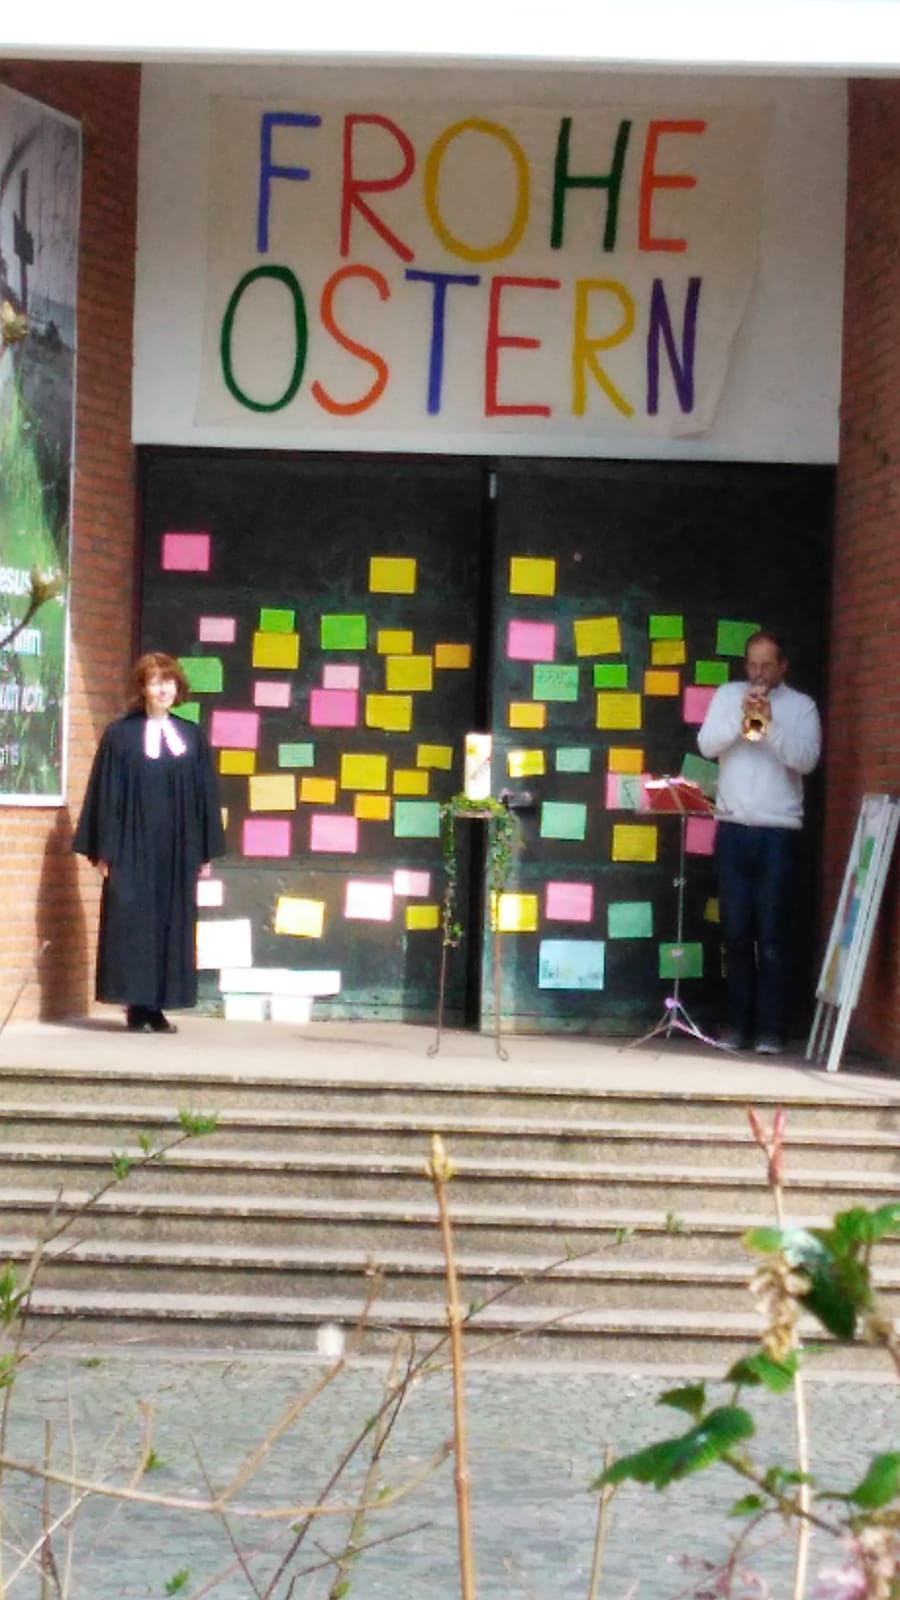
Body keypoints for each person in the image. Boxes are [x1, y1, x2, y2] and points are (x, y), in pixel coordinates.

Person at [73, 652, 226, 1033]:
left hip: (176, 849)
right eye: (155, 682)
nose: (163, 689)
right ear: (142, 688)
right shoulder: (120, 736)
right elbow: (106, 794)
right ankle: (136, 1005)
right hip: (132, 847)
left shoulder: (191, 736)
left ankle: (156, 1007)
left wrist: (205, 849)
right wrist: (104, 850)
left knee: (170, 924)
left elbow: (205, 796)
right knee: (133, 922)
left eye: (168, 681)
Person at [697, 630, 821, 1055]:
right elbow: (706, 745)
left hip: (777, 832)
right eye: (752, 664)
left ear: (783, 666)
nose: (758, 673)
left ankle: (770, 1029)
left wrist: (771, 727)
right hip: (732, 827)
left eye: (767, 665)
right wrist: (740, 718)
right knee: (734, 932)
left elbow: (807, 760)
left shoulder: (802, 706)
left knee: (771, 935)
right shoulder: (727, 696)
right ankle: (736, 1024)